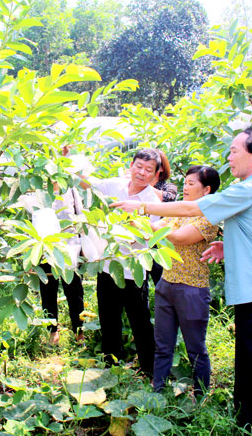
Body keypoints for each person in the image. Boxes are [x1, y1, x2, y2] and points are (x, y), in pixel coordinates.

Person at [111, 127, 252, 436]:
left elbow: (193, 210)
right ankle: (243, 421)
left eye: (235, 151)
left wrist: (140, 206)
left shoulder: (251, 188)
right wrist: (227, 245)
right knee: (246, 359)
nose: (229, 156)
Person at [79, 148, 161, 376]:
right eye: (139, 167)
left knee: (140, 320)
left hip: (133, 269)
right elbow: (87, 184)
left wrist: (131, 223)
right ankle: (110, 365)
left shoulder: (152, 201)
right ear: (131, 166)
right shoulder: (114, 186)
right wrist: (69, 160)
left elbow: (149, 235)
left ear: (155, 175)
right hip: (107, 264)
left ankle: (148, 368)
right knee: (108, 317)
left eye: (148, 170)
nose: (142, 173)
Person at [150, 165, 220, 396]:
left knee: (195, 349)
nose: (186, 187)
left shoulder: (209, 217)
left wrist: (146, 225)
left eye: (192, 183)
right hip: (166, 285)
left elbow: (179, 238)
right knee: (162, 346)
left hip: (192, 290)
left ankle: (200, 396)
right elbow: (161, 226)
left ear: (207, 189)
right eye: (185, 182)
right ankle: (157, 391)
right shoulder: (181, 212)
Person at [40, 188, 84, 344]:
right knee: (47, 289)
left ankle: (79, 330)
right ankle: (52, 331)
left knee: (75, 289)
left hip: (70, 245)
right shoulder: (39, 187)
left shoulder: (71, 187)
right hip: (45, 246)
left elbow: (80, 213)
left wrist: (83, 244)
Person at [149, 149, 177, 286]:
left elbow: (168, 199)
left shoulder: (167, 186)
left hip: (159, 241)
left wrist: (144, 186)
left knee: (161, 281)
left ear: (160, 167)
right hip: (138, 239)